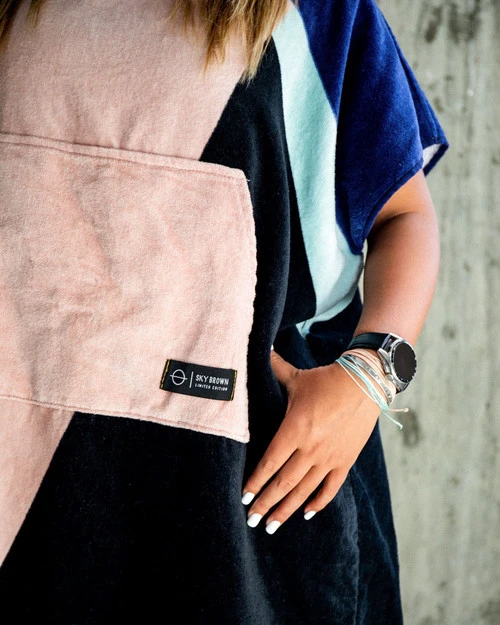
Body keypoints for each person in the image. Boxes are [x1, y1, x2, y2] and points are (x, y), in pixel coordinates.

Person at [0, 0, 449, 622]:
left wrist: (369, 378)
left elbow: (405, 214)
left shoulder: (312, 12)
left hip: (253, 505)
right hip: (23, 489)